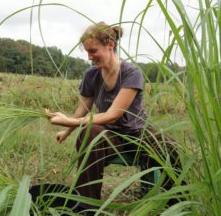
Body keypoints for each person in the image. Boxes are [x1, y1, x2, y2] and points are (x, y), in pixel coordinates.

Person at [45, 22, 181, 212]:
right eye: (87, 52)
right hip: (110, 136)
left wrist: (70, 121)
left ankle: (173, 206)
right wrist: (67, 131)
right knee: (89, 133)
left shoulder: (131, 73)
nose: (90, 57)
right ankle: (87, 207)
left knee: (171, 147)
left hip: (138, 133)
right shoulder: (91, 75)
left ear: (109, 44)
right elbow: (83, 109)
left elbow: (113, 115)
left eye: (93, 51)